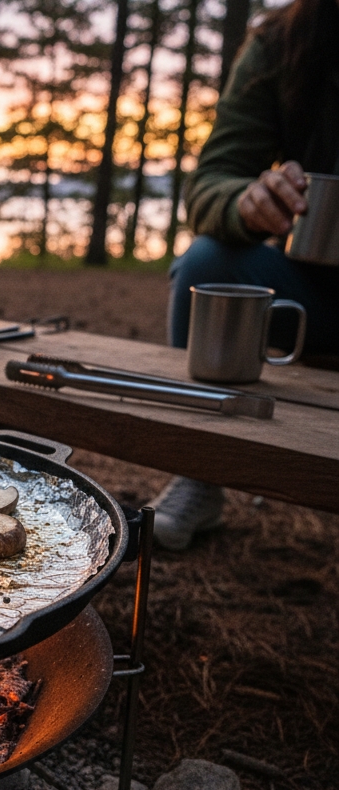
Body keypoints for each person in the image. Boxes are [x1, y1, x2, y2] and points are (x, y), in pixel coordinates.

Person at [151, 0, 339, 550]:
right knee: (207, 264)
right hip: (311, 292)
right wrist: (247, 201)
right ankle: (200, 468)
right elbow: (212, 181)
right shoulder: (284, 40)